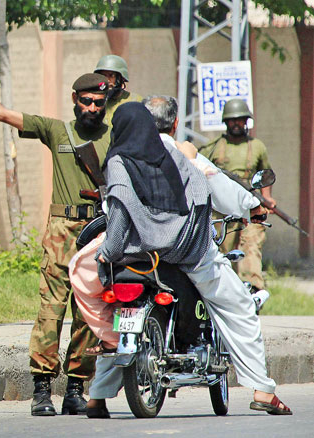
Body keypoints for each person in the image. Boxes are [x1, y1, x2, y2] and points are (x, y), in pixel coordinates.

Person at [69, 100, 290, 418]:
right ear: (170, 125)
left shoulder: (119, 160)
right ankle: (262, 391)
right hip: (190, 250)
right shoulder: (178, 151)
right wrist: (251, 205)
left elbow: (117, 211)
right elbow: (217, 184)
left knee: (124, 315)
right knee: (239, 307)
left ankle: (98, 396)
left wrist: (110, 254)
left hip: (141, 252)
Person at [0, 62, 110, 416]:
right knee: (50, 310)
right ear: (74, 99)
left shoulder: (115, 136)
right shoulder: (55, 130)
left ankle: (77, 388)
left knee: (90, 312)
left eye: (98, 103)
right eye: (86, 101)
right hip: (61, 230)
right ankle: (42, 389)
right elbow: (0, 113)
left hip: (100, 230)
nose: (92, 108)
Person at [198, 98, 275, 291]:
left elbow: (265, 173)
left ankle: (253, 288)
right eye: (232, 120)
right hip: (223, 208)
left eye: (240, 120)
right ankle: (228, 290)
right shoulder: (213, 147)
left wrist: (267, 198)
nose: (236, 124)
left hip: (251, 204)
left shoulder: (257, 146)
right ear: (225, 122)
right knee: (224, 250)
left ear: (246, 121)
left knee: (250, 245)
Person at [93, 55, 142, 124]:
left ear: (120, 78)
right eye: (103, 76)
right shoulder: (93, 102)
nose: (107, 80)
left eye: (111, 75)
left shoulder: (136, 101)